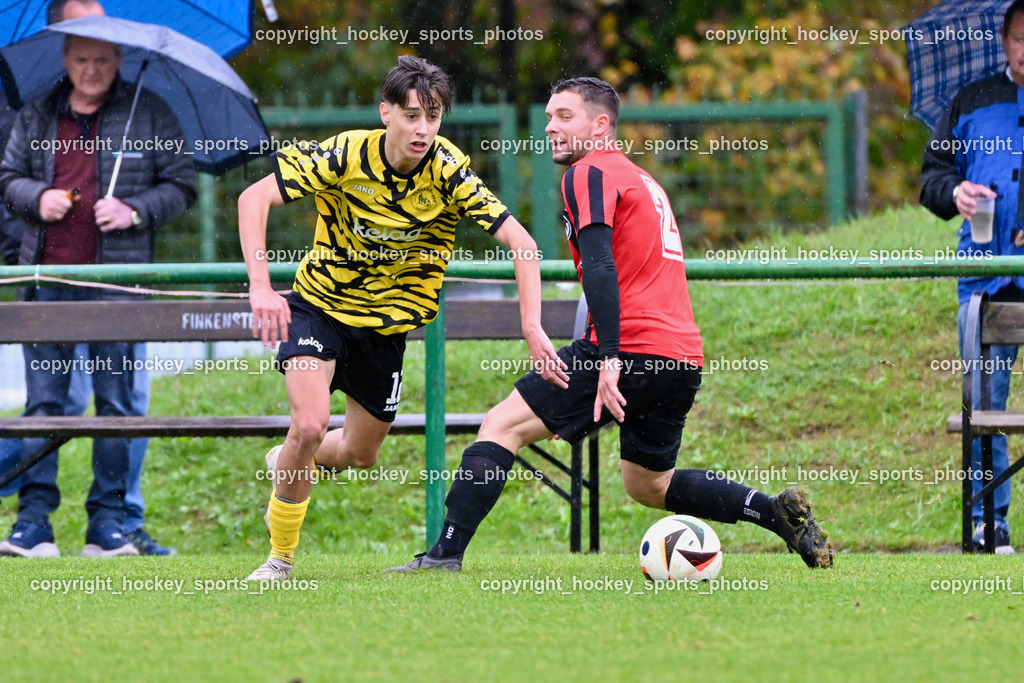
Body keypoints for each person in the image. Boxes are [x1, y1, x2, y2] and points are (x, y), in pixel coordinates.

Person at [390, 77, 834, 572]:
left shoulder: (588, 173)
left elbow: (601, 267)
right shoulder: (643, 179)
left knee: (500, 426)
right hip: (680, 355)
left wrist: (608, 356)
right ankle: (774, 513)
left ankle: (443, 556)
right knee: (649, 485)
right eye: (548, 118)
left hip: (630, 348)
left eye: (564, 117)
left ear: (601, 126)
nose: (550, 128)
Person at [238, 56, 566, 581]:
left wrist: (531, 326)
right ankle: (279, 558)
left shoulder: (448, 169)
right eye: (412, 116)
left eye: (433, 117)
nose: (423, 129)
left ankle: (291, 458)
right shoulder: (346, 152)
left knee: (359, 452)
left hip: (386, 329)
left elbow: (522, 244)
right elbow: (254, 198)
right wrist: (260, 287)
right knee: (310, 422)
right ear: (385, 112)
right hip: (318, 306)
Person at [0, 34, 196, 557]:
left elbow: (182, 185)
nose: (91, 70)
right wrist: (36, 197)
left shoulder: (148, 112)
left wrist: (135, 211)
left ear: (118, 61)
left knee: (116, 407)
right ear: (67, 61)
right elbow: (8, 179)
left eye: (102, 60)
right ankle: (33, 524)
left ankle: (107, 525)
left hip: (118, 290)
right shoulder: (36, 114)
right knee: (45, 405)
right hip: (48, 284)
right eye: (82, 59)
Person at [919, 1, 1024, 555]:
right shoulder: (969, 100)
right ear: (1003, 39)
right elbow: (931, 178)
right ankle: (989, 522)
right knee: (985, 404)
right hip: (983, 280)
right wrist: (954, 193)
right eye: (1020, 38)